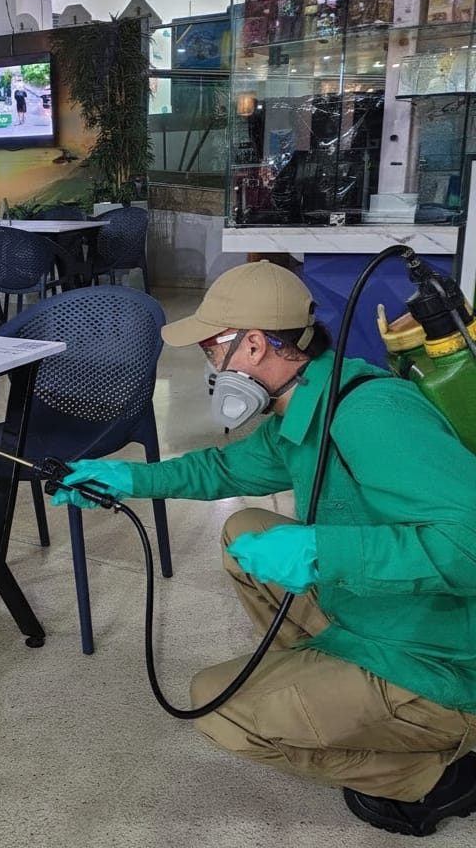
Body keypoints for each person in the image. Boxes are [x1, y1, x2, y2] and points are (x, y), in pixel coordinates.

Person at [51, 260, 476, 837]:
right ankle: (333, 686)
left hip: (442, 663)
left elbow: (468, 545)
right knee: (244, 530)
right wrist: (126, 479)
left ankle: (438, 775)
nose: (209, 364)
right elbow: (225, 470)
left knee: (219, 709)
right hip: (380, 615)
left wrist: (323, 550)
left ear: (252, 345)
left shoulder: (373, 414)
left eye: (211, 349)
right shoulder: (305, 404)